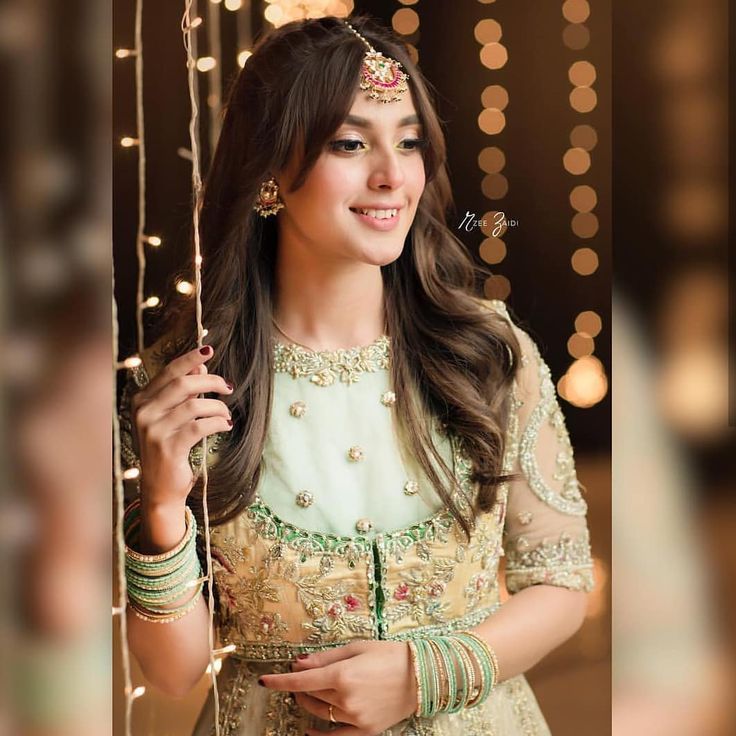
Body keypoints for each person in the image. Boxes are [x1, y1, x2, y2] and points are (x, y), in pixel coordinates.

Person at [119, 15, 594, 735]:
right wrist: (159, 509)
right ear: (273, 169)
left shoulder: (487, 353)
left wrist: (420, 678)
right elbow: (175, 672)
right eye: (350, 143)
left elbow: (560, 581)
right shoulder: (184, 387)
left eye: (408, 141)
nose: (392, 175)